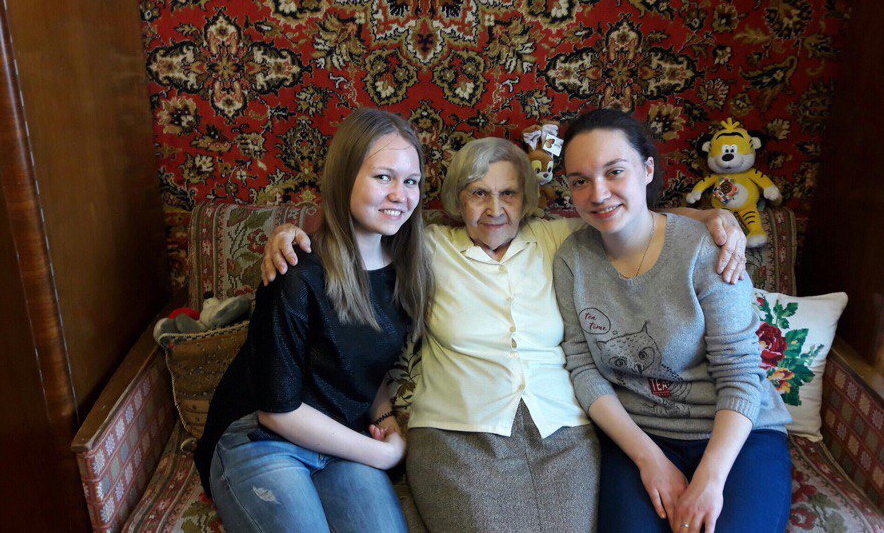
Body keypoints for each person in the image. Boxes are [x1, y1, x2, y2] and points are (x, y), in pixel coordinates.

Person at [262, 136, 749, 533]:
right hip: (456, 436)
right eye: (478, 193)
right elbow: (356, 236)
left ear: (526, 199)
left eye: (508, 193)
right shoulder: (425, 247)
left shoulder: (558, 238)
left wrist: (711, 217)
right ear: (458, 200)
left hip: (564, 436)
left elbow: (636, 218)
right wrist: (290, 236)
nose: (494, 209)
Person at [194, 108, 434, 533]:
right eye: (384, 177)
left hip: (341, 440)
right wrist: (384, 454)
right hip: (262, 439)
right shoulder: (296, 270)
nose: (400, 194)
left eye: (411, 181)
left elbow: (362, 367)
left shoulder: (408, 268)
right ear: (344, 178)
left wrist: (384, 419)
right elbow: (277, 411)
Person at [553, 108, 792, 533]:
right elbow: (583, 368)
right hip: (640, 437)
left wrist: (710, 480)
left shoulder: (707, 249)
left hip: (736, 435)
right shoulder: (572, 259)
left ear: (647, 170)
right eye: (580, 181)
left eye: (614, 172)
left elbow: (740, 371)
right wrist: (649, 459)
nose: (598, 193)